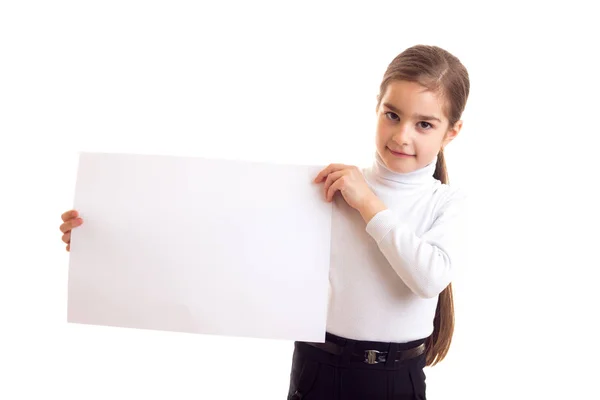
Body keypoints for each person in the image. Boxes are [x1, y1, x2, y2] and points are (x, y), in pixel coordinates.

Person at [59, 44, 470, 400]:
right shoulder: (331, 188)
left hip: (396, 379)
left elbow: (429, 277)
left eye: (424, 124)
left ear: (451, 132)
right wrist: (103, 245)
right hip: (318, 370)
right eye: (392, 115)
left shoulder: (442, 202)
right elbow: (216, 241)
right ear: (376, 106)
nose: (402, 136)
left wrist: (368, 204)